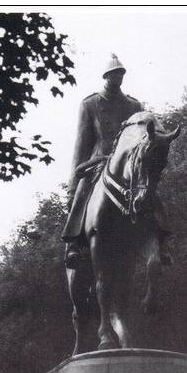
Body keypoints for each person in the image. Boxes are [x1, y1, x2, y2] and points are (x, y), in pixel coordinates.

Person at [62, 54, 143, 268]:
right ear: (106, 76)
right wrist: (72, 183)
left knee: (148, 191)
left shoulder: (134, 106)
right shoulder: (90, 104)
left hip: (126, 165)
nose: (119, 77)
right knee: (82, 192)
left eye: (121, 74)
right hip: (98, 164)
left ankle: (162, 240)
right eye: (114, 74)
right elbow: (80, 147)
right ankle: (73, 244)